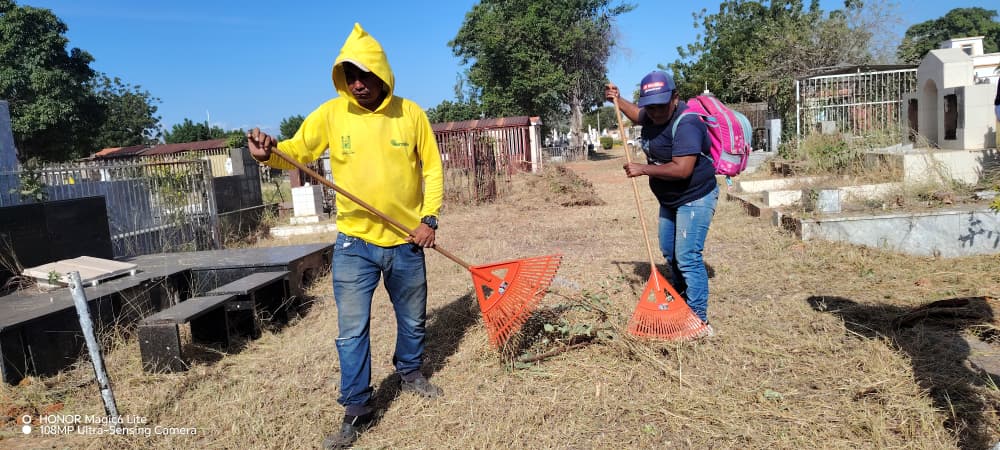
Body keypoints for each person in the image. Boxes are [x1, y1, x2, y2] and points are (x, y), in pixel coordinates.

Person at [247, 23, 444, 449]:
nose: (357, 84)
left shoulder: (411, 114)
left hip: (406, 241)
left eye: (364, 74)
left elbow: (432, 169)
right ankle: (357, 407)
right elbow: (295, 152)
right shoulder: (331, 114)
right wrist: (268, 155)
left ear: (381, 73)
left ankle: (410, 371)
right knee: (351, 330)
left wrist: (429, 220)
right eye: (349, 76)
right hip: (355, 244)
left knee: (413, 318)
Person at [605, 71, 719, 331]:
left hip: (695, 196)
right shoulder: (652, 113)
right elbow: (638, 115)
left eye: (660, 106)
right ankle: (679, 298)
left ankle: (699, 321)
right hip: (669, 199)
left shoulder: (687, 123)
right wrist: (617, 99)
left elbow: (682, 169)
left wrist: (643, 169)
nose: (654, 112)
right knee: (669, 251)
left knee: (687, 256)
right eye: (650, 106)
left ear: (675, 98)